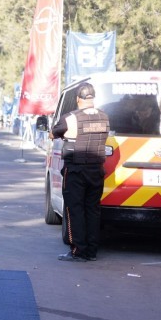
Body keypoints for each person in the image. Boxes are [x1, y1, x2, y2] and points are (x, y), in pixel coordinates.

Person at [51, 82, 110, 262]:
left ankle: (78, 250)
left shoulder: (71, 118)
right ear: (93, 98)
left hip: (76, 170)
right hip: (97, 170)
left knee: (74, 209)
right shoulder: (104, 117)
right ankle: (91, 251)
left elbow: (53, 134)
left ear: (78, 99)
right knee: (92, 209)